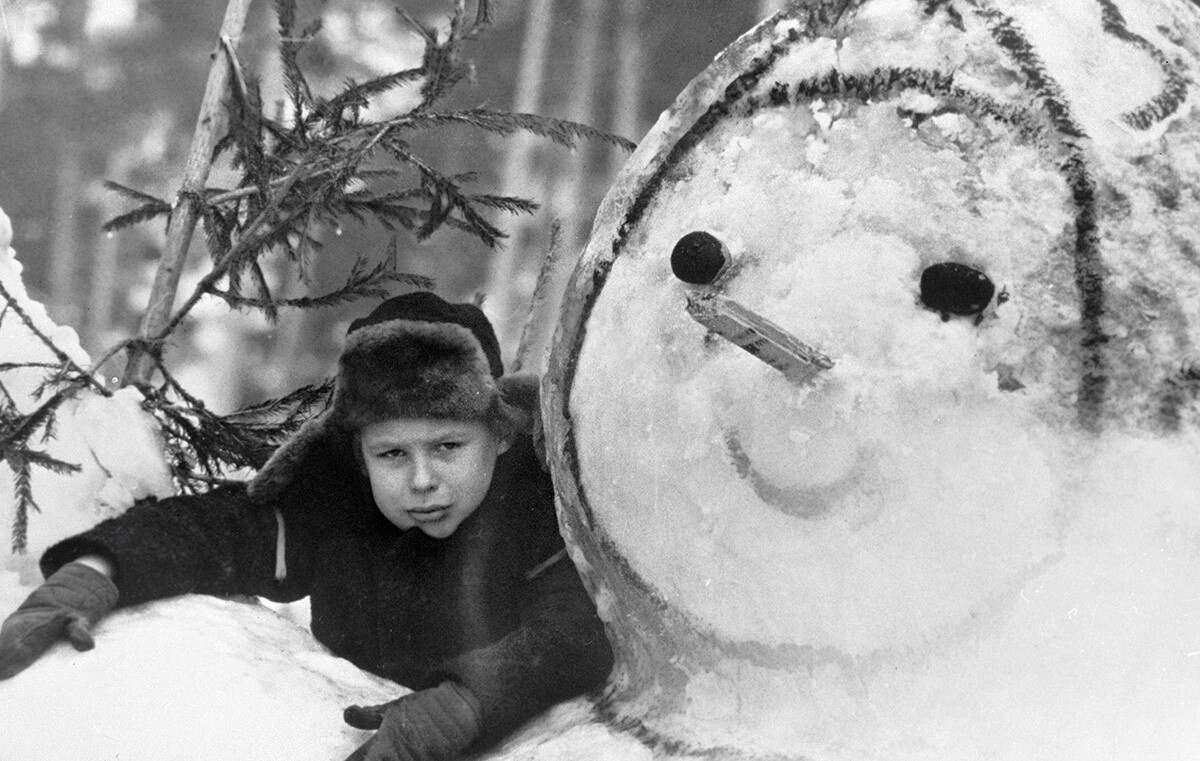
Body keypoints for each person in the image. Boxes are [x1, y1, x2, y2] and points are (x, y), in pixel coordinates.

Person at [0, 291, 614, 761]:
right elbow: (219, 529)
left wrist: (465, 704)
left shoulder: (543, 506)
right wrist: (98, 569)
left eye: (448, 446)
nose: (422, 480)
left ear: (501, 435)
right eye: (392, 454)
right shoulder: (338, 503)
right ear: (358, 452)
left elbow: (576, 629)